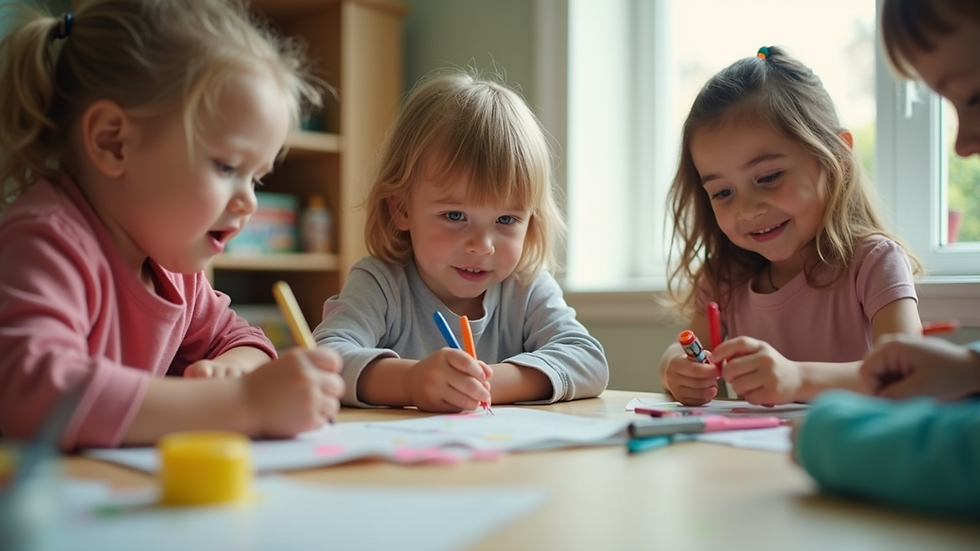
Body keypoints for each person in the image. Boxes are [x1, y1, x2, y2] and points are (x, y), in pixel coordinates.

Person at [0, 0, 345, 449]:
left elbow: (241, 338)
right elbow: (32, 390)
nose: (249, 201)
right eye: (226, 166)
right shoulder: (45, 240)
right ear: (113, 142)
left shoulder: (173, 271)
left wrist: (235, 370)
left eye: (256, 177)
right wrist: (243, 403)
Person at [312, 71, 609, 412]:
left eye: (506, 220)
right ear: (401, 208)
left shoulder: (526, 287)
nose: (483, 246)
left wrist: (485, 383)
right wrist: (410, 382)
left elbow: (588, 360)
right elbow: (326, 357)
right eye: (455, 216)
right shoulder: (380, 283)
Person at [794, 0, 980, 518]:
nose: (963, 145)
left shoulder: (874, 260)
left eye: (975, 96)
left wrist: (830, 435)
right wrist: (971, 365)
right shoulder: (728, 276)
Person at [660, 46, 923, 407]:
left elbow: (908, 375)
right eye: (723, 192)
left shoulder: (874, 262)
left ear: (838, 156)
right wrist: (675, 368)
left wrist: (797, 378)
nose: (748, 209)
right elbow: (683, 348)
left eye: (768, 177)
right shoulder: (724, 278)